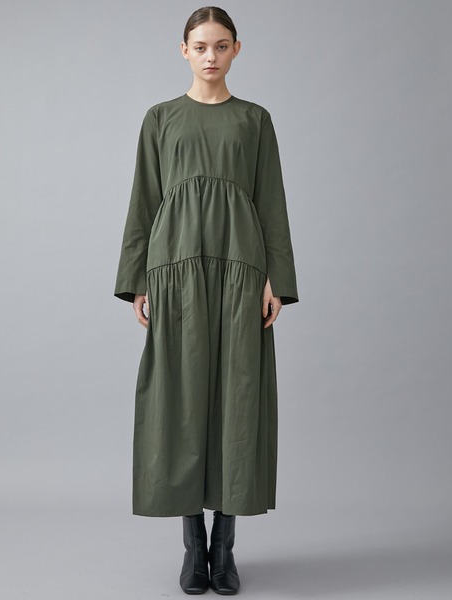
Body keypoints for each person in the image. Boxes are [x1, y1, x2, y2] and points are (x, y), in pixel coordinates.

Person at [114, 6, 298, 595]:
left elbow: (271, 201)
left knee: (237, 402)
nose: (211, 56)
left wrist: (276, 277)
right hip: (176, 273)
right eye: (200, 46)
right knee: (183, 401)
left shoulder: (255, 120)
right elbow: (144, 201)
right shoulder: (161, 118)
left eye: (221, 46)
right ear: (184, 51)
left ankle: (225, 548)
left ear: (236, 50)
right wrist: (138, 278)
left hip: (242, 272)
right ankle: (194, 547)